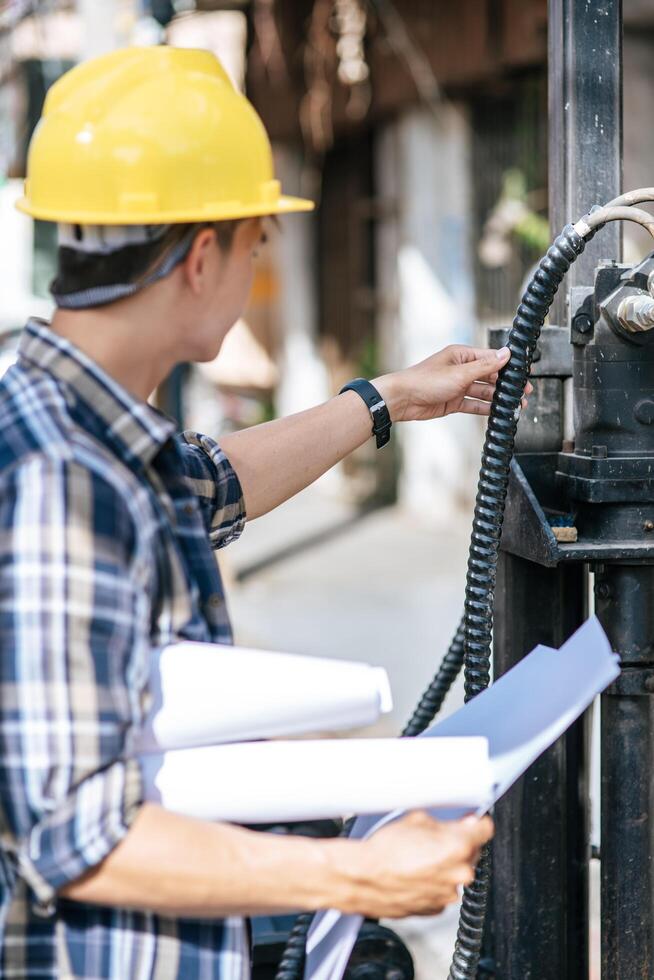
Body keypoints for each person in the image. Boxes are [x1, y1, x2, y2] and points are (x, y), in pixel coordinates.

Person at [0, 46, 517, 979]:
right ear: (204, 258)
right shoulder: (63, 475)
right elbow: (77, 833)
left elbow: (211, 483)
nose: (254, 268)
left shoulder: (90, 431)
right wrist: (354, 876)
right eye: (255, 243)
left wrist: (387, 398)